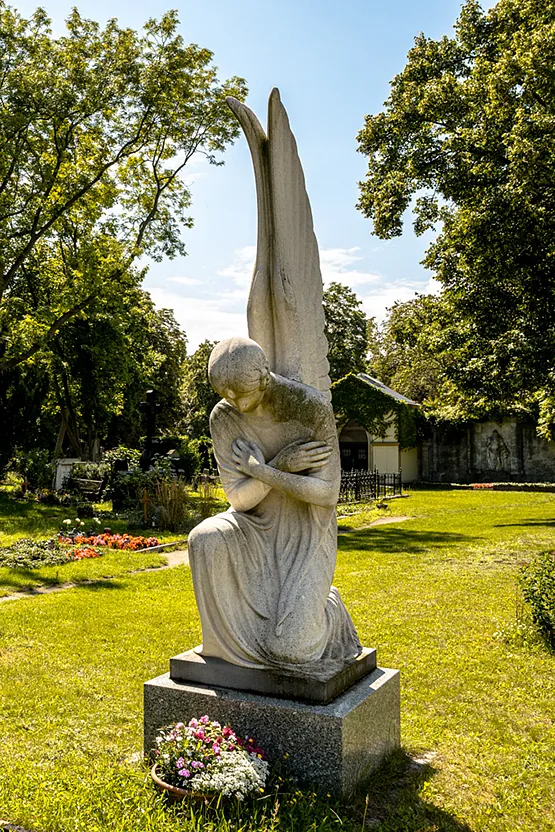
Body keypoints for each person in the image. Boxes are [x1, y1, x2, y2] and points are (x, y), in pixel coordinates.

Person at [188, 337, 362, 681]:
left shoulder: (308, 407)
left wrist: (262, 470)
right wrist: (276, 467)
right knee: (203, 537)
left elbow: (326, 494)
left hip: (306, 533)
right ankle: (228, 653)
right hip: (252, 526)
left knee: (293, 650)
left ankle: (329, 608)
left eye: (242, 393)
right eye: (226, 395)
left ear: (264, 376)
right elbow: (239, 500)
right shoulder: (223, 417)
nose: (235, 403)